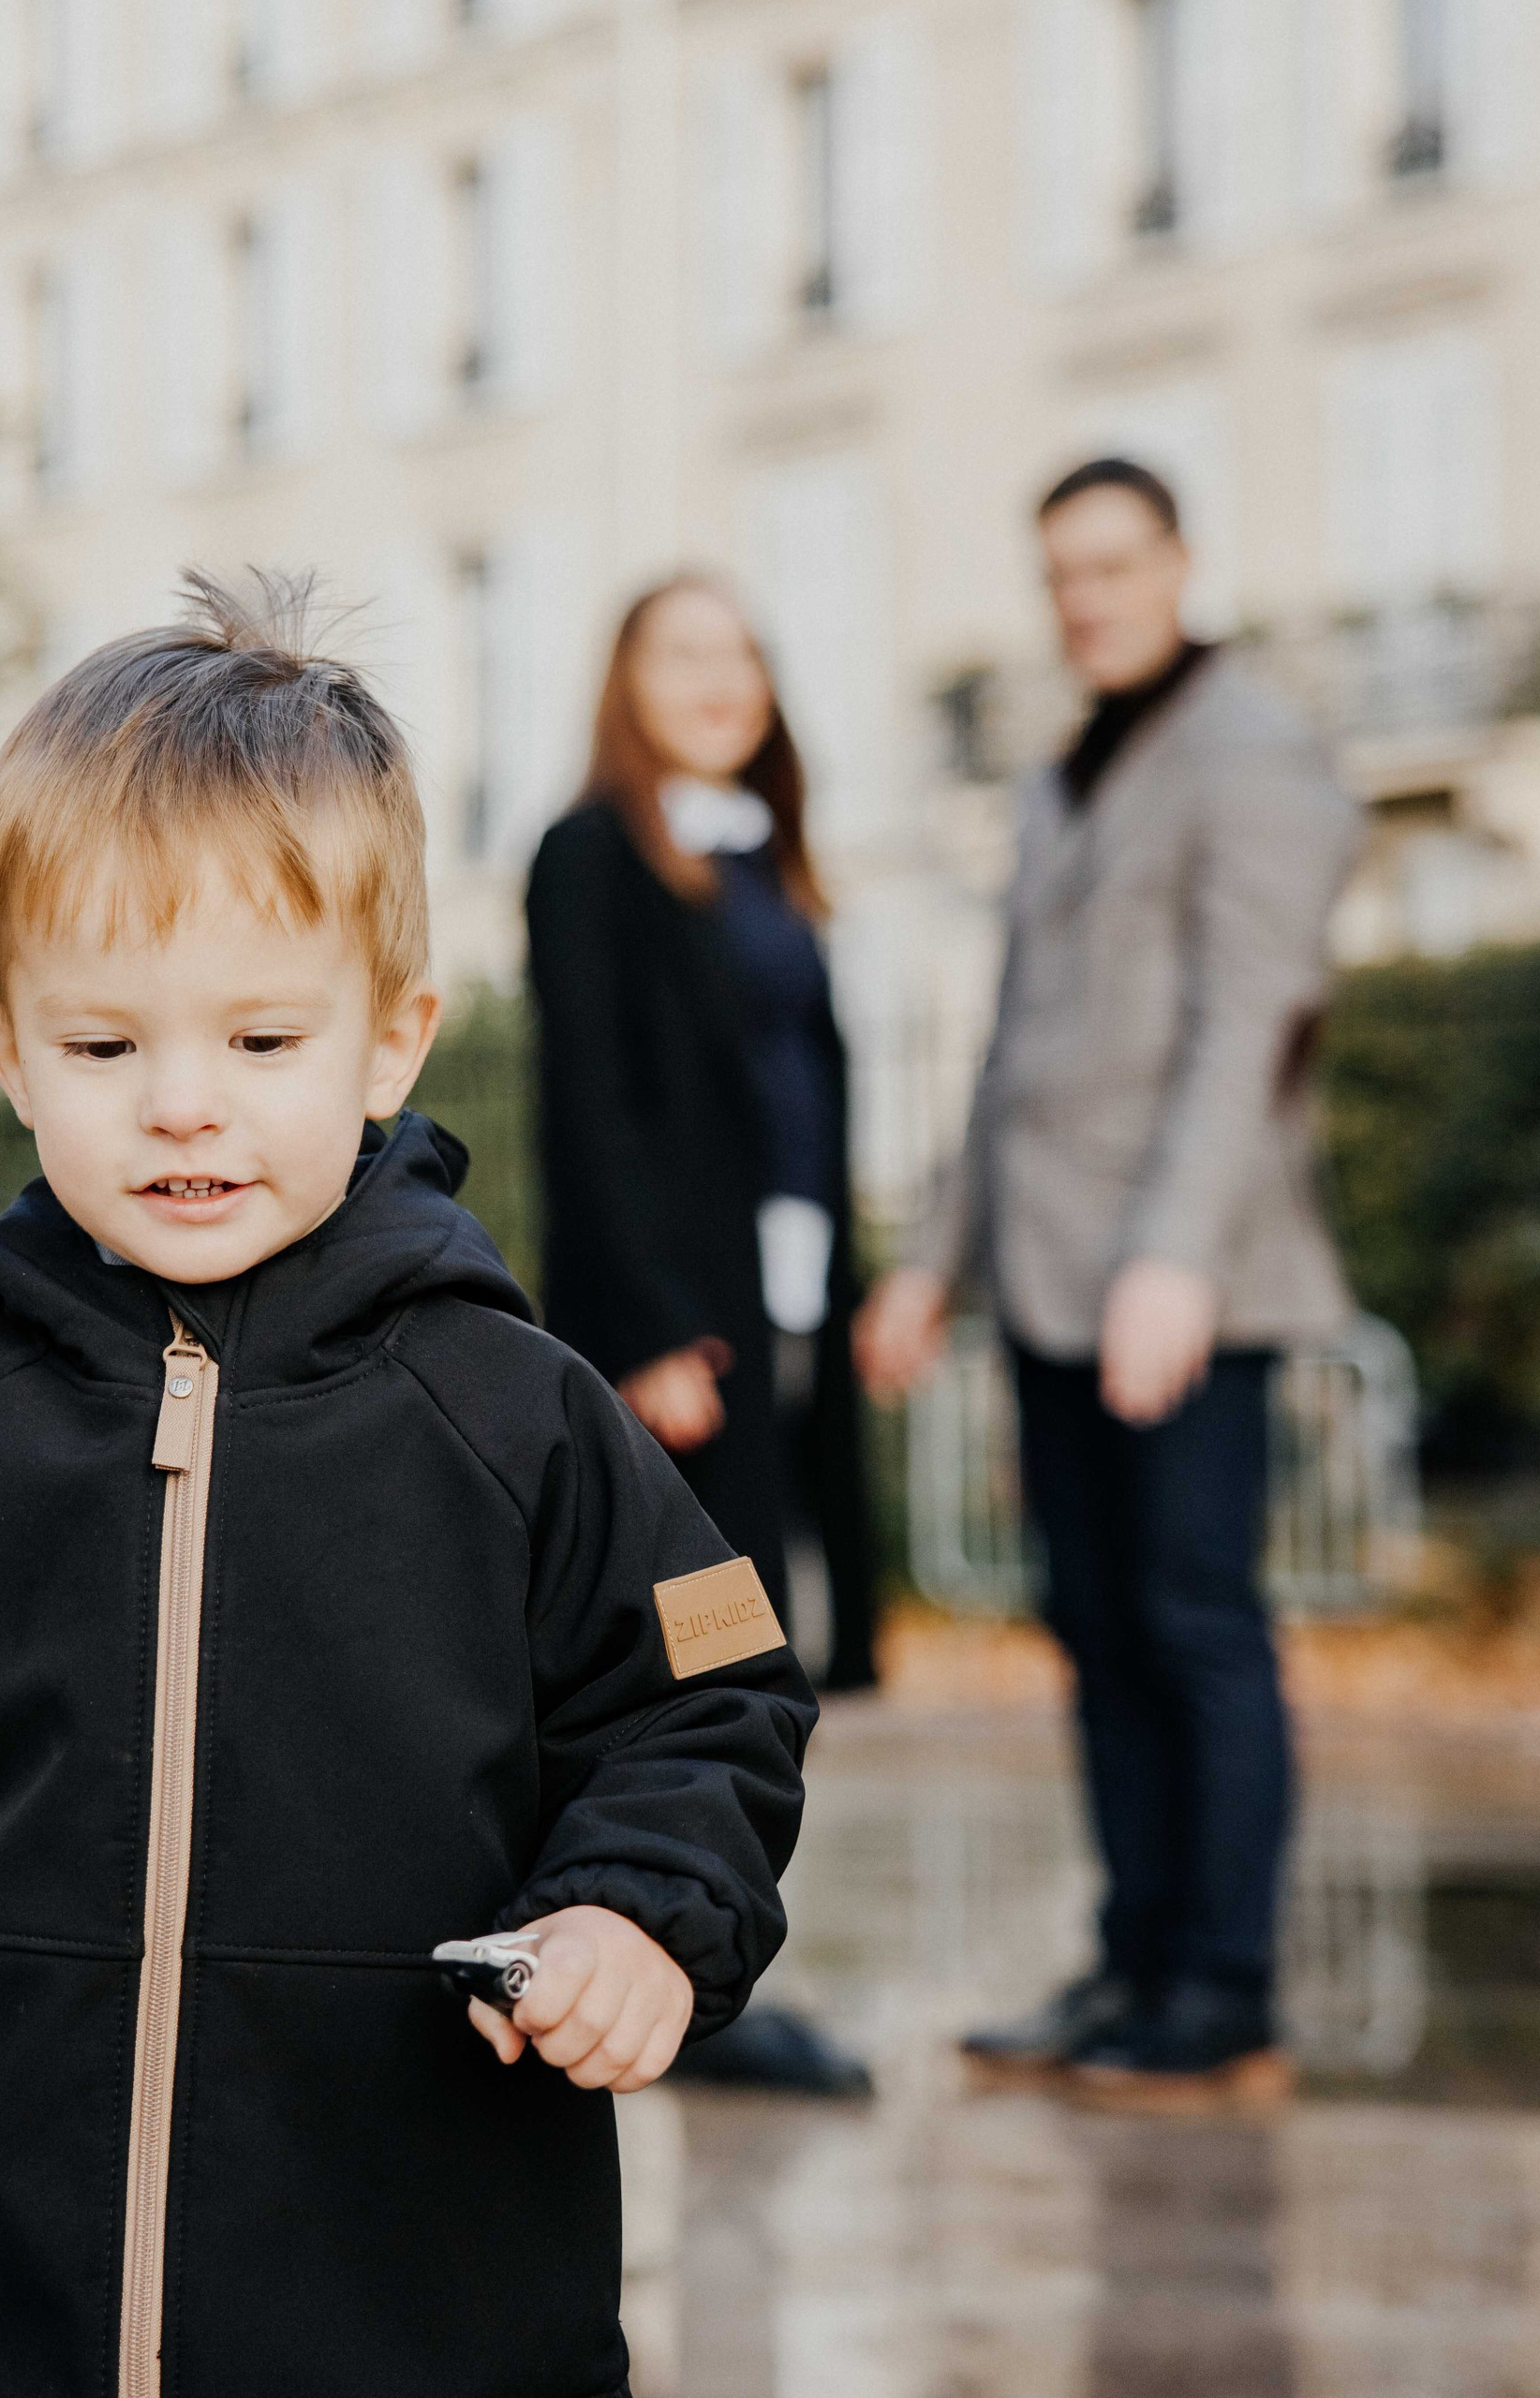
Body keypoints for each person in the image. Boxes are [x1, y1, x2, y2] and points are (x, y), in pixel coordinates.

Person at [0, 574, 815, 2395]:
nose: (183, 1104)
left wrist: (633, 1905)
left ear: (389, 1039)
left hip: (408, 2316)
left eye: (261, 1038)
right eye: (104, 1043)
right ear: (5, 1053)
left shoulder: (512, 1412)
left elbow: (710, 1686)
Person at [859, 460, 1363, 2112]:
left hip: (1184, 1286)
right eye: (1062, 574)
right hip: (1053, 1284)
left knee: (1195, 1624)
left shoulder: (1254, 753)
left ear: (1180, 565)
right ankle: (1135, 1958)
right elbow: (1009, 1052)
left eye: (1116, 566)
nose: (1088, 600)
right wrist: (930, 1267)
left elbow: (1253, 1027)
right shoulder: (1063, 769)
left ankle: (1224, 1991)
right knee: (1095, 1626)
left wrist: (1176, 1260)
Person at [525, 575, 877, 2098]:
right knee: (719, 1645)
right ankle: (691, 1971)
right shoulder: (591, 855)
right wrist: (649, 1329)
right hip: (693, 1337)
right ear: (627, 683)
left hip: (790, 1308)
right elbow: (589, 1108)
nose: (719, 678)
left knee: (775, 1628)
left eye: (743, 650)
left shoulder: (769, 862)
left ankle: (705, 1951)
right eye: (683, 653)